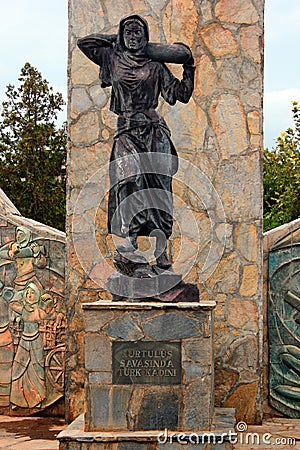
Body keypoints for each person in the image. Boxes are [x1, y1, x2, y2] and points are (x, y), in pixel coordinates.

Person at [78, 14, 195, 270]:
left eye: (138, 32)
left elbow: (181, 94)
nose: (133, 37)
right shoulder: (112, 58)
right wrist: (114, 41)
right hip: (127, 132)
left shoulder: (155, 65)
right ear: (122, 35)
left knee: (159, 190)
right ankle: (127, 248)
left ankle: (161, 252)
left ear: (146, 36)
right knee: (128, 183)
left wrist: (189, 67)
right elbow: (84, 43)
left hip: (154, 133)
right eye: (128, 32)